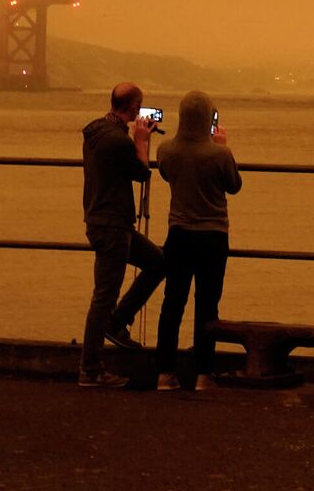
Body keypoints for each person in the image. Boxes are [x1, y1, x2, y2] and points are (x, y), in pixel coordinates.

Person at [78, 81, 166, 388]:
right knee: (103, 297)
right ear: (132, 106)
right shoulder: (118, 141)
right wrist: (141, 141)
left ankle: (117, 322)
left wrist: (134, 139)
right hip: (112, 226)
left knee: (158, 262)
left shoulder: (95, 132)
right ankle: (90, 369)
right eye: (138, 106)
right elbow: (141, 173)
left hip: (103, 220)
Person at [154, 88, 242, 391]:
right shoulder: (220, 154)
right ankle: (205, 374)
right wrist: (222, 145)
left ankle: (165, 372)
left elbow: (167, 176)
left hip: (178, 233)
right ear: (208, 119)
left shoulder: (166, 150)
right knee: (207, 304)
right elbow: (234, 185)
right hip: (213, 236)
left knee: (172, 303)